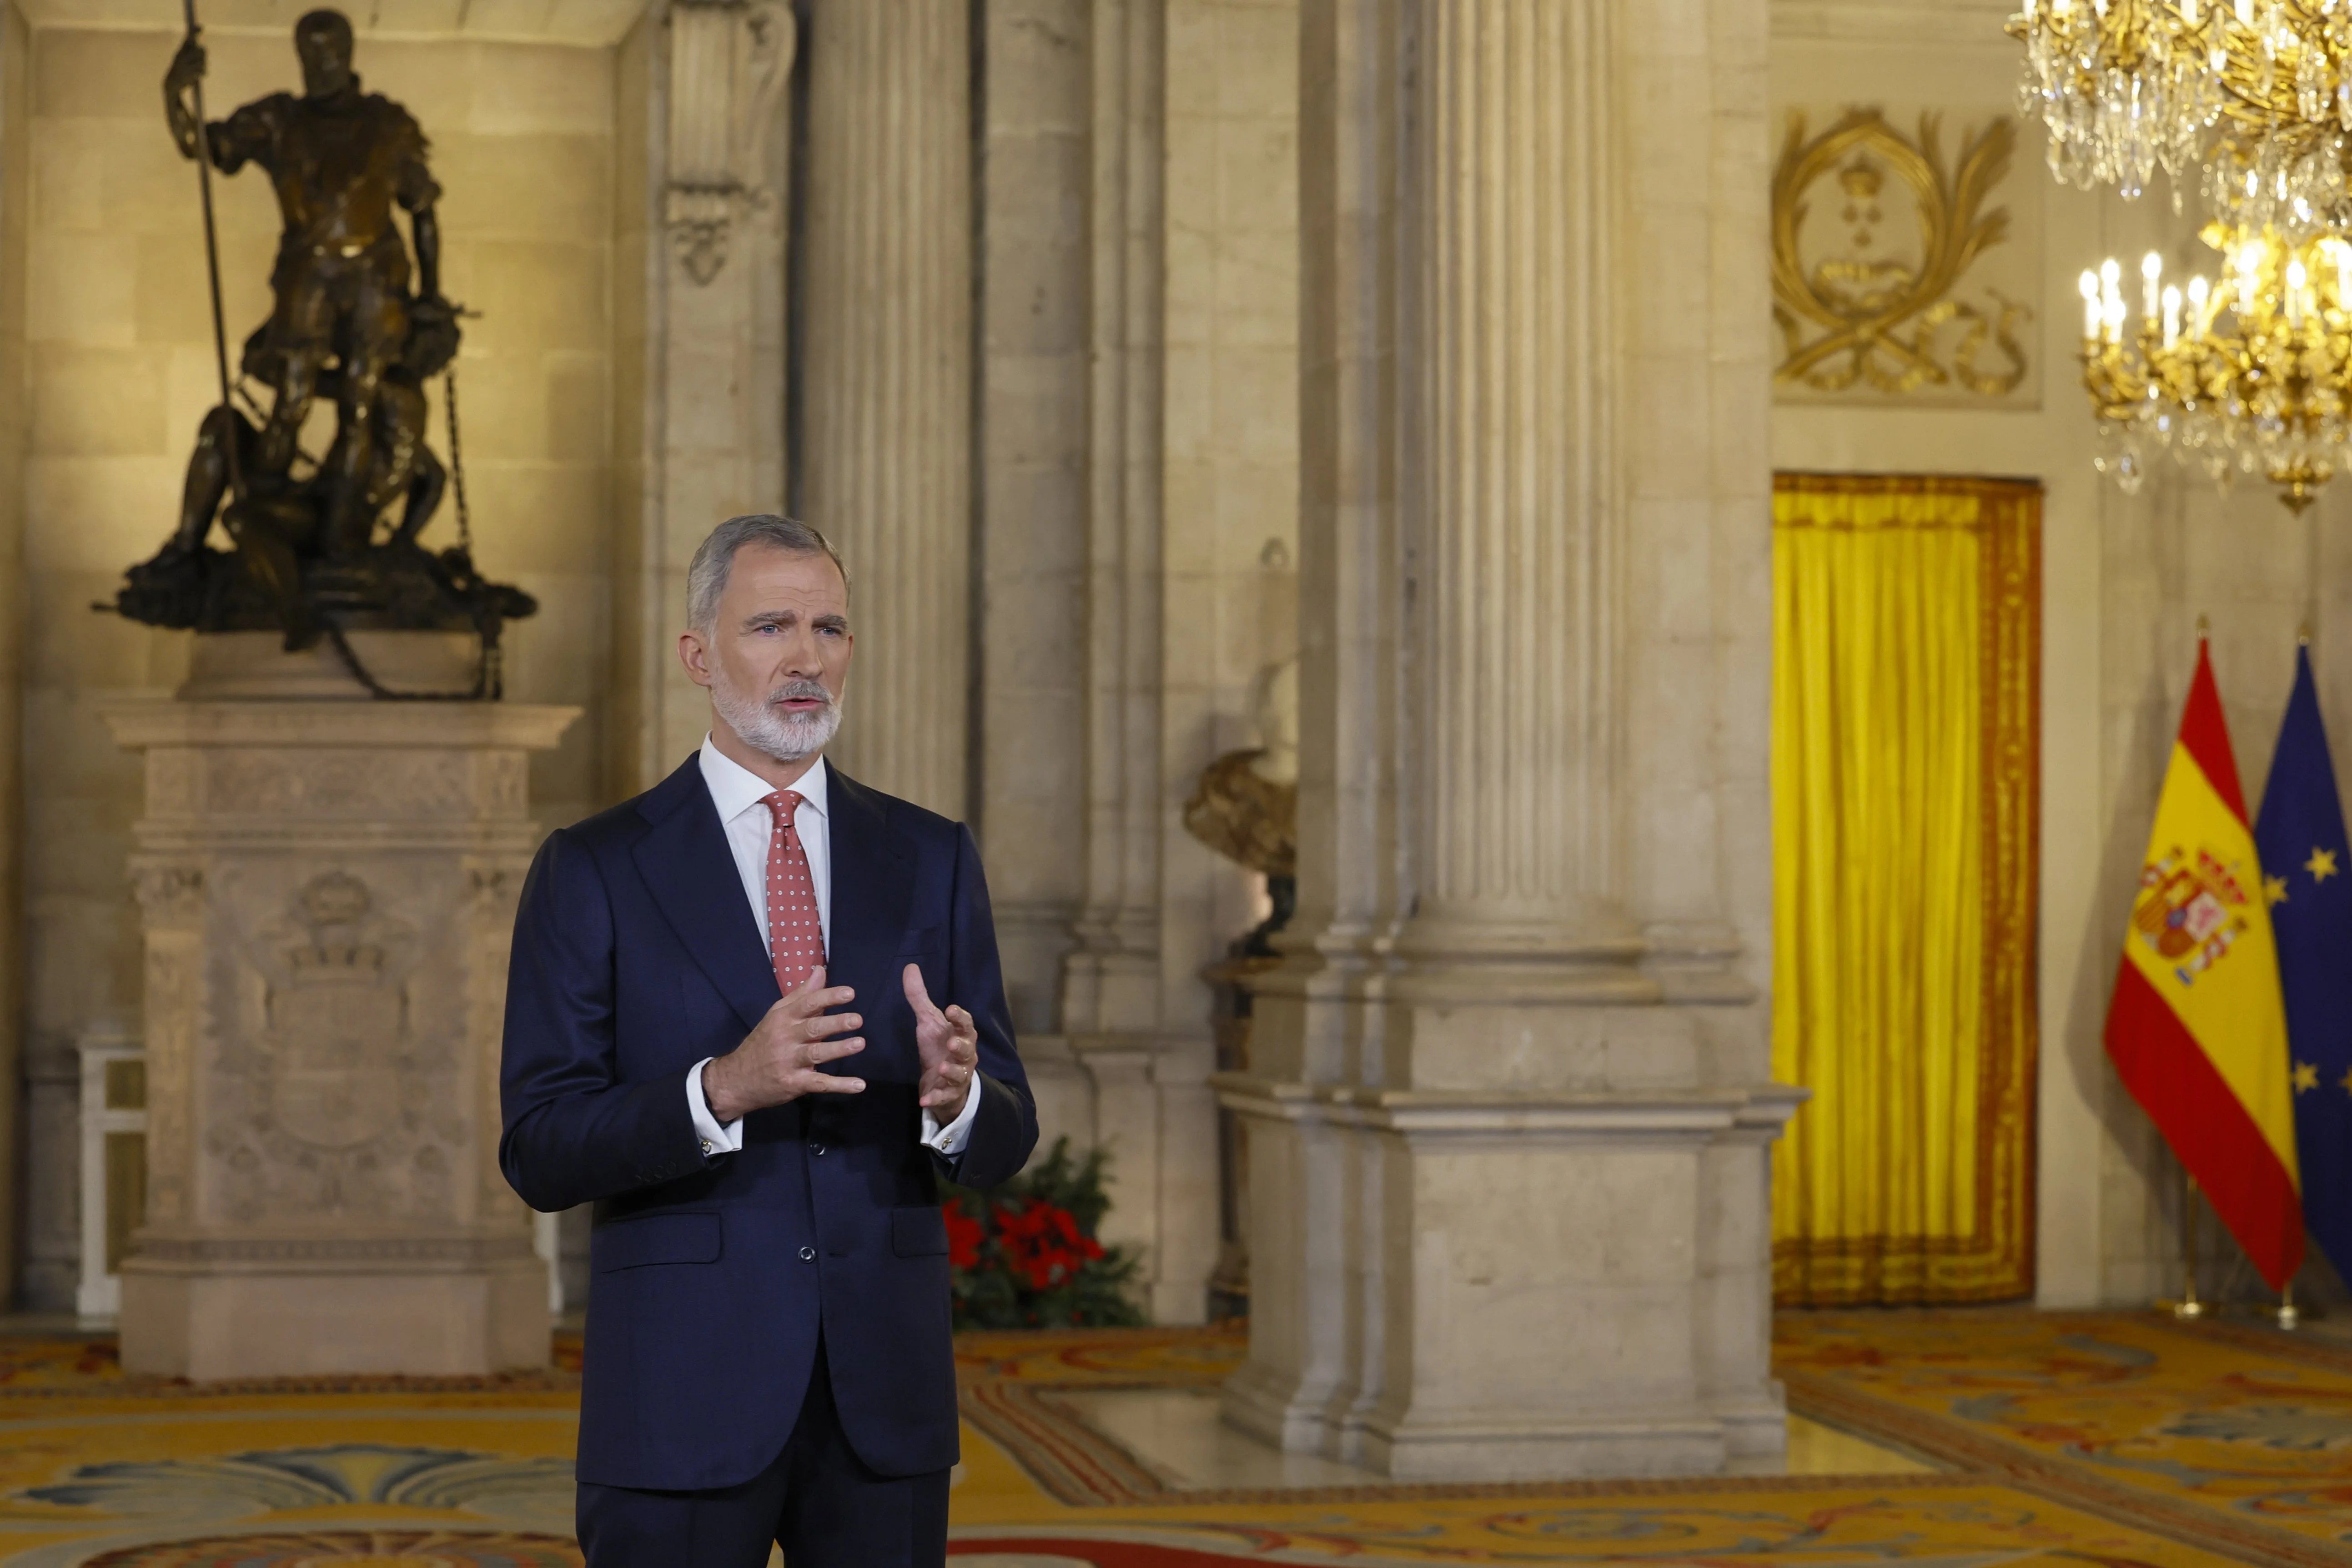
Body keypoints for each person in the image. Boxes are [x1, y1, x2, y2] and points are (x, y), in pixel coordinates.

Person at [499, 515, 1036, 1566]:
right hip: (679, 1401)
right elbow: (541, 1145)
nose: (807, 657)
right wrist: (722, 1088)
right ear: (700, 655)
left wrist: (960, 1096)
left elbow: (1008, 1131)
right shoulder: (595, 867)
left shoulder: (931, 855)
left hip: (884, 1404)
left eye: (830, 626)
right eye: (772, 626)